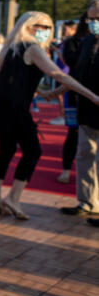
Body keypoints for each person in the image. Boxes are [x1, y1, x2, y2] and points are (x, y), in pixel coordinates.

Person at [0, 12, 99, 220]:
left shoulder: (12, 47)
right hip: (14, 107)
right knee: (33, 151)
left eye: (48, 27)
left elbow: (16, 78)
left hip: (0, 105)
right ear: (27, 26)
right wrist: (92, 96)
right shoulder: (32, 48)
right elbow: (58, 74)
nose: (45, 30)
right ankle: (13, 198)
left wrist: (44, 93)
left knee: (7, 149)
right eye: (40, 26)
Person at [55, 0, 99, 218]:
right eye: (91, 19)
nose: (93, 23)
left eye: (97, 18)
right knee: (84, 155)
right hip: (86, 110)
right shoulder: (88, 41)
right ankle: (88, 203)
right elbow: (77, 74)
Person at [57, 15, 90, 183]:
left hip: (92, 97)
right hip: (77, 95)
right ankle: (66, 170)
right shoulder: (74, 42)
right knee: (74, 133)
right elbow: (72, 69)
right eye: (91, 19)